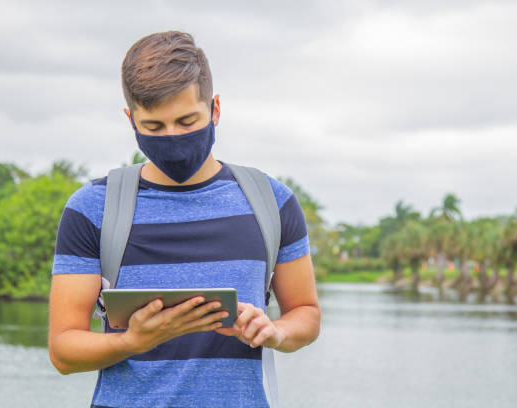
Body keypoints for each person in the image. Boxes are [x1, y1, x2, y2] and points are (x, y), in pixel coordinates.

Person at [47, 30, 321, 408]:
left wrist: (274, 331)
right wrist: (132, 341)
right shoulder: (93, 208)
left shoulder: (271, 202)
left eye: (187, 120)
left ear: (216, 109)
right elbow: (63, 351)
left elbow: (305, 315)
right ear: (131, 120)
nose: (172, 137)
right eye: (154, 127)